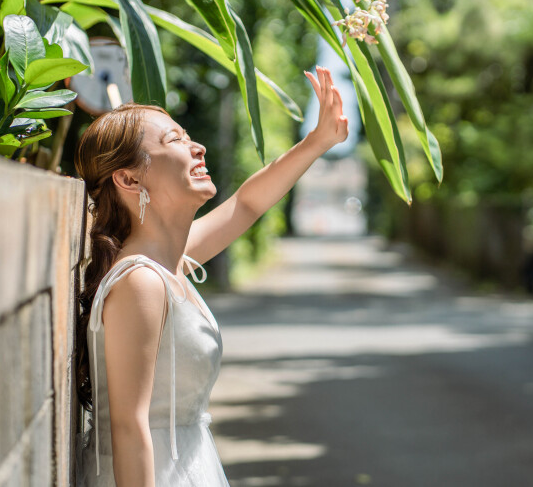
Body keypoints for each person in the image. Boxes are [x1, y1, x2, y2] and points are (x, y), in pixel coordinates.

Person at [72, 66, 348, 486]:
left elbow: (248, 205)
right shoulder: (141, 283)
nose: (197, 146)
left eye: (186, 135)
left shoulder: (168, 262)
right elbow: (129, 428)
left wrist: (318, 141)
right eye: (175, 140)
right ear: (128, 179)